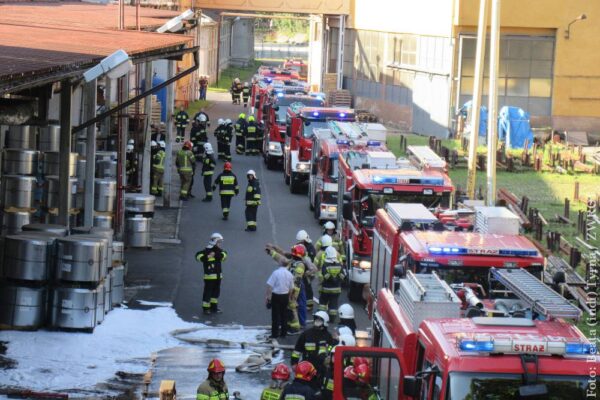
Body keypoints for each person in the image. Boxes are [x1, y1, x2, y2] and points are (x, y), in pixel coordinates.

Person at [266, 244, 312, 333]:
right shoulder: (293, 261)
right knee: (288, 306)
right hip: (290, 286)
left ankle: (296, 326)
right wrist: (271, 252)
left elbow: (297, 281)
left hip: (295, 288)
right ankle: (287, 323)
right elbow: (280, 258)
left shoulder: (300, 265)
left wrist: (293, 295)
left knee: (292, 305)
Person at [291, 311, 337, 377]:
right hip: (307, 367)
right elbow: (297, 351)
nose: (317, 321)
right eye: (316, 319)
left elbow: (330, 349)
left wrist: (333, 344)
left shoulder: (328, 336)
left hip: (321, 368)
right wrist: (294, 363)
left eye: (320, 320)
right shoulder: (306, 334)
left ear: (325, 322)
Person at [196, 233, 227, 314]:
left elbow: (224, 255)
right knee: (208, 292)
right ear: (214, 242)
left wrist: (215, 254)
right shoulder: (206, 251)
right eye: (219, 242)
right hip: (209, 277)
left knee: (216, 292)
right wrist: (207, 257)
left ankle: (214, 307)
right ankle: (206, 308)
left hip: (218, 276)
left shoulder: (219, 252)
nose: (220, 244)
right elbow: (198, 256)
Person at [265, 256, 294, 339]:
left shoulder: (276, 273)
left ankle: (275, 334)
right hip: (285, 296)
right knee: (283, 315)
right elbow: (291, 288)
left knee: (275, 316)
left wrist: (268, 297)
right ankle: (283, 333)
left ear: (280, 263)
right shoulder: (289, 274)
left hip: (276, 296)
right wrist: (289, 297)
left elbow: (270, 286)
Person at [318, 247, 345, 323]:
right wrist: (336, 279)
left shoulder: (325, 264)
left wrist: (331, 277)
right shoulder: (339, 264)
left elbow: (325, 275)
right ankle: (332, 319)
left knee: (323, 303)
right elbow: (343, 276)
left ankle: (321, 316)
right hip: (336, 289)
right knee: (334, 303)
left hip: (326, 289)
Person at [296, 230, 317, 311]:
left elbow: (311, 262)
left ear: (305, 240)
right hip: (301, 269)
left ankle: (309, 304)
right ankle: (299, 302)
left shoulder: (310, 249)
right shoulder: (299, 245)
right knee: (299, 286)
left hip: (308, 271)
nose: (299, 243)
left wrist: (309, 272)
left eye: (301, 241)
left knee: (307, 287)